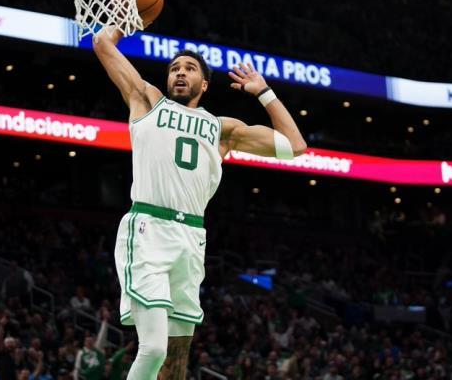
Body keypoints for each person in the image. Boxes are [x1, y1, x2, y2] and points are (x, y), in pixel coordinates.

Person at [93, 25, 306, 379]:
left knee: (176, 360)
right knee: (154, 348)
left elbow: (295, 145)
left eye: (189, 68)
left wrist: (263, 92)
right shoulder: (148, 101)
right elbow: (102, 42)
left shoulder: (222, 129)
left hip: (191, 238)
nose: (180, 72)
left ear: (204, 85)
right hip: (148, 228)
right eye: (174, 68)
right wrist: (127, 15)